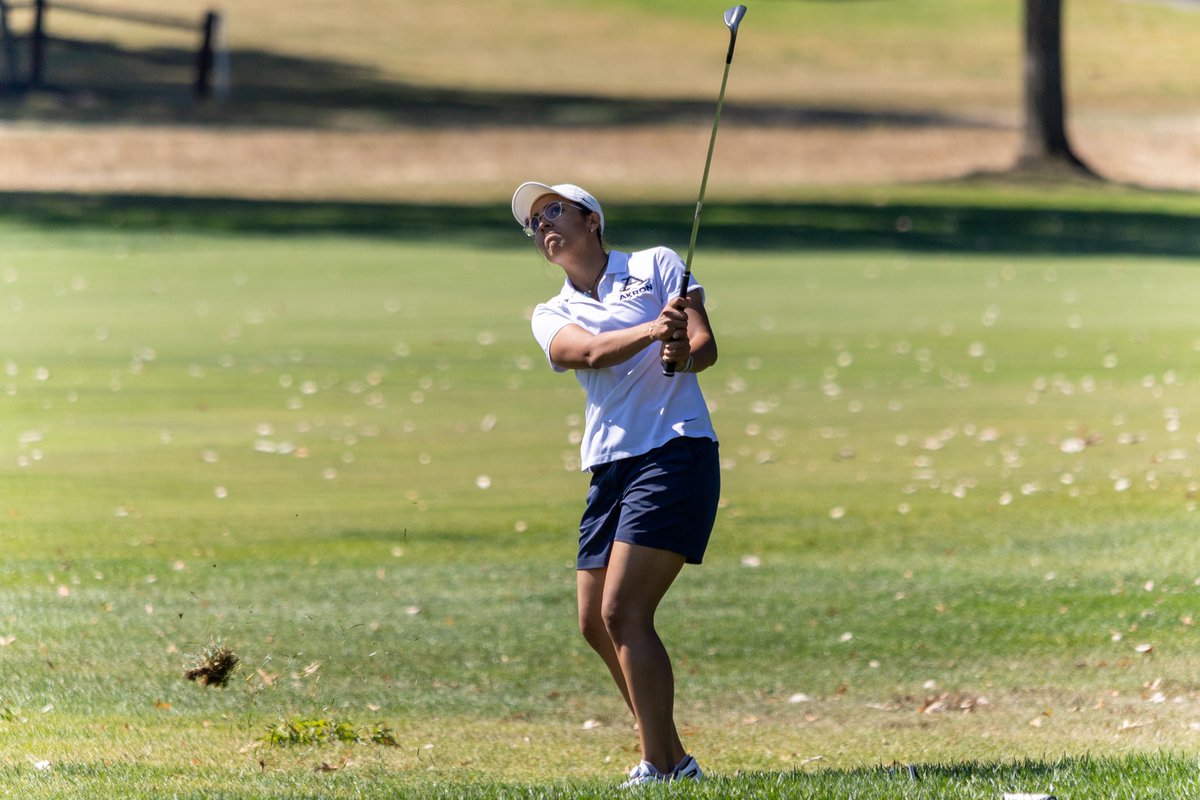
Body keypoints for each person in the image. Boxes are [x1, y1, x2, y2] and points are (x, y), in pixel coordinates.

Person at [511, 181, 721, 787]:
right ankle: (674, 760)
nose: (543, 226)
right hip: (610, 464)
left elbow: (702, 346)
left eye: (554, 210)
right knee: (593, 621)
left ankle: (658, 768)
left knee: (623, 610)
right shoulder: (551, 312)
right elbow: (587, 353)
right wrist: (653, 333)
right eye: (533, 222)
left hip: (675, 450)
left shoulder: (656, 265)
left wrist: (680, 353)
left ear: (592, 220)